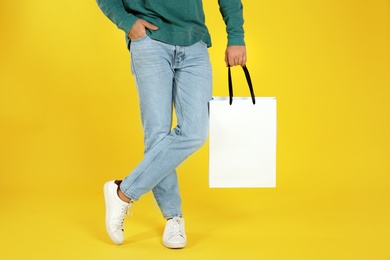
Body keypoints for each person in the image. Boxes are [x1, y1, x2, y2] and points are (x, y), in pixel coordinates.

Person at [96, 0, 247, 249]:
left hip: (194, 42)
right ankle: (173, 217)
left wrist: (236, 36)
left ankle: (123, 192)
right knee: (157, 134)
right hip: (150, 42)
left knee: (195, 132)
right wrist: (127, 22)